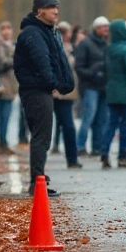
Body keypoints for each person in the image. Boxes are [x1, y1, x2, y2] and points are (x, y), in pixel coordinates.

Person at [14, 0, 75, 197]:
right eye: (51, 7)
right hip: (37, 92)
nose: (56, 11)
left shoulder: (43, 31)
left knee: (41, 137)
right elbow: (42, 62)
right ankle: (37, 183)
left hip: (40, 90)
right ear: (39, 11)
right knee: (41, 138)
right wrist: (54, 83)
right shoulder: (33, 33)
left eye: (57, 7)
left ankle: (38, 180)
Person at [98, 19, 126, 169]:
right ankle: (122, 156)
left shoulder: (109, 49)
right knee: (125, 125)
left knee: (111, 124)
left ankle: (104, 151)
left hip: (112, 93)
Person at [74, 16, 110, 157]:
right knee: (88, 117)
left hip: (103, 87)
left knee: (101, 119)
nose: (106, 29)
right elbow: (79, 67)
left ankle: (97, 147)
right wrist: (93, 73)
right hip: (90, 87)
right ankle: (80, 146)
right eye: (104, 27)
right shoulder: (85, 44)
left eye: (107, 27)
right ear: (96, 28)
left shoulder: (105, 45)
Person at [54, 23, 82, 170]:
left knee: (67, 125)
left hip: (68, 92)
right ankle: (71, 158)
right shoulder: (58, 48)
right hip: (58, 92)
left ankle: (72, 158)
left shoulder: (71, 48)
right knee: (66, 126)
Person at [0, 20, 18, 154]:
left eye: (9, 28)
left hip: (11, 85)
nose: (6, 31)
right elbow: (0, 63)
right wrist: (15, 60)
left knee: (6, 117)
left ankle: (3, 142)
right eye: (3, 29)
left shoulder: (11, 45)